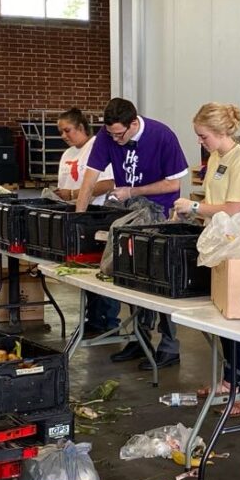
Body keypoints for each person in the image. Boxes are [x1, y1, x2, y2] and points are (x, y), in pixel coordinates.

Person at [75, 97, 190, 370]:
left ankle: (169, 347)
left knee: (159, 283)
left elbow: (173, 183)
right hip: (129, 215)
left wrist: (132, 191)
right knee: (132, 279)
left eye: (119, 134)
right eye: (111, 134)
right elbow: (90, 177)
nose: (115, 139)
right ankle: (140, 338)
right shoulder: (107, 135)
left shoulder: (162, 136)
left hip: (159, 215)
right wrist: (78, 217)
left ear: (134, 123)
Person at [172, 102, 240, 417]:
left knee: (239, 321)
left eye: (203, 135)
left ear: (222, 132)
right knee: (224, 317)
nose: (200, 141)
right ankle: (230, 381)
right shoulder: (215, 158)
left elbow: (235, 209)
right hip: (220, 246)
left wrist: (193, 208)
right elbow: (215, 202)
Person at [54, 108, 118, 336]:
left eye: (67, 130)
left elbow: (109, 182)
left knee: (101, 271)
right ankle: (93, 319)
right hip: (76, 216)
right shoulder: (67, 154)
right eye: (60, 131)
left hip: (98, 216)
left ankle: (110, 322)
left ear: (81, 127)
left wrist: (73, 194)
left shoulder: (97, 148)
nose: (64, 135)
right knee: (84, 271)